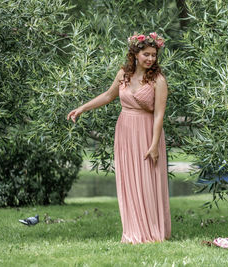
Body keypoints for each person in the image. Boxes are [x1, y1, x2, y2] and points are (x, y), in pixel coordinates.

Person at [67, 32, 171, 244]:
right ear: (135, 54)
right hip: (125, 131)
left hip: (147, 132)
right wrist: (82, 108)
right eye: (146, 54)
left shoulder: (158, 80)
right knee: (130, 181)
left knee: (146, 181)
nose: (150, 59)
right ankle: (132, 229)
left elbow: (159, 114)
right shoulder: (123, 74)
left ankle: (151, 230)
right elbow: (108, 96)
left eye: (154, 55)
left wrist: (154, 145)